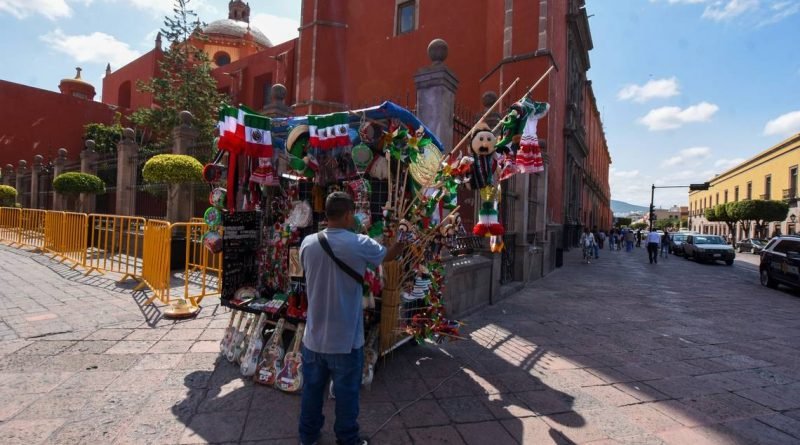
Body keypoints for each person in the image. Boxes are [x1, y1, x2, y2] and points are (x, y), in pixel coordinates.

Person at [299, 192, 405, 445]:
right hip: (346, 339)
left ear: (327, 213)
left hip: (313, 338)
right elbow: (387, 256)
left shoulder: (307, 243)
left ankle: (308, 438)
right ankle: (348, 439)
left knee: (311, 394)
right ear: (348, 215)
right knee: (347, 396)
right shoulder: (360, 242)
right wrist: (402, 239)